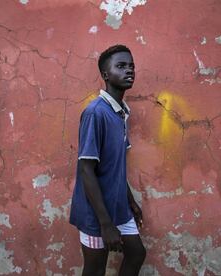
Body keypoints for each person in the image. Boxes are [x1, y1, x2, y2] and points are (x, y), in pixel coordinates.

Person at [69, 45, 146, 276]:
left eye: (131, 66)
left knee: (137, 253)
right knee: (95, 269)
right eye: (121, 66)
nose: (129, 70)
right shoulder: (96, 113)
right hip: (96, 213)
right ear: (105, 75)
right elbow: (86, 170)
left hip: (119, 206)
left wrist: (130, 200)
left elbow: (115, 167)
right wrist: (105, 224)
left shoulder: (120, 112)